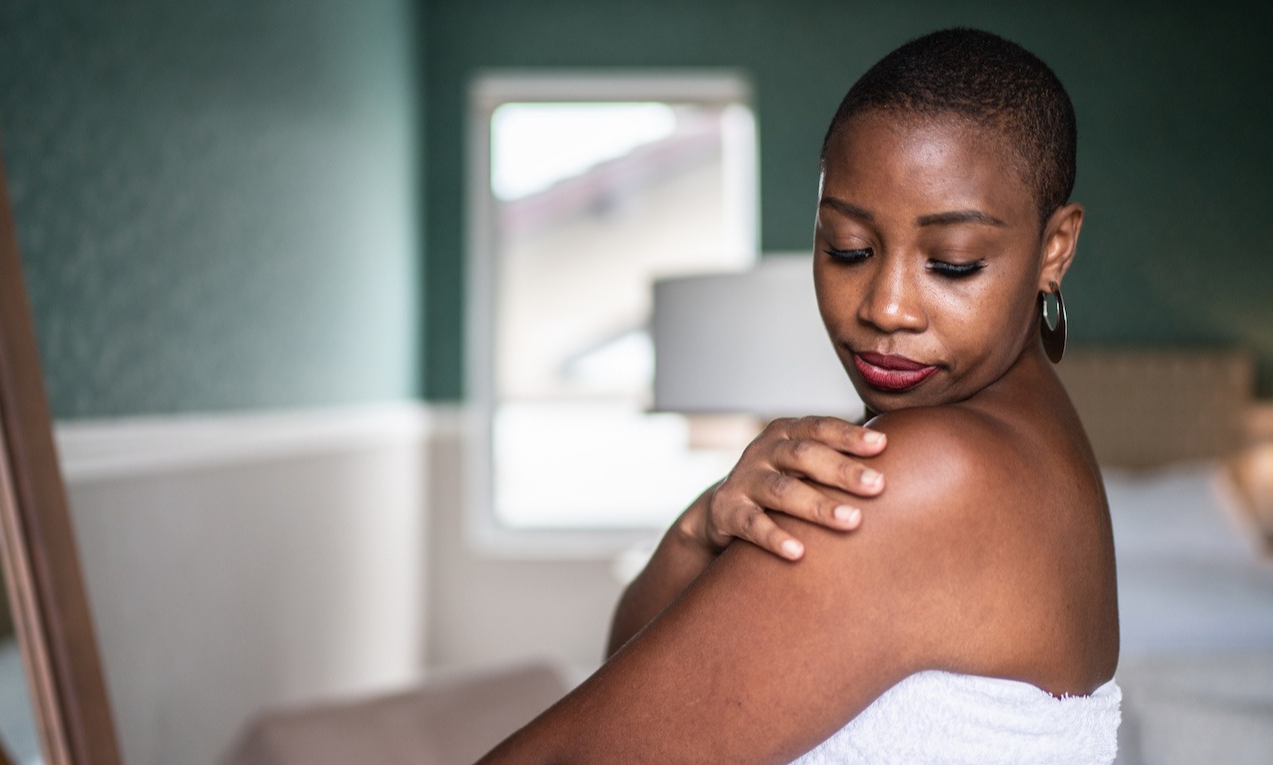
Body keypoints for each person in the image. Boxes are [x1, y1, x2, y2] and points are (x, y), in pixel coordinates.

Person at [479, 27, 1120, 764]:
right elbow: (635, 680)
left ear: (1055, 248)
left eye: (952, 263)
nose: (886, 306)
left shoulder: (930, 470)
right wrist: (702, 527)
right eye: (848, 246)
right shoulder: (1029, 434)